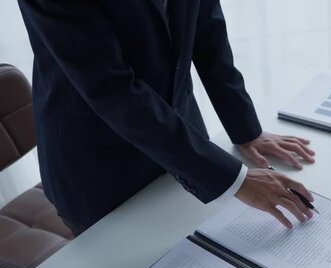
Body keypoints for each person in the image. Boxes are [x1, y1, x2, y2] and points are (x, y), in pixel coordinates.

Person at [18, 0, 315, 235]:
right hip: (100, 171)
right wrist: (234, 179)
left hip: (185, 147)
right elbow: (112, 89)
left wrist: (244, 128)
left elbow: (206, 26)